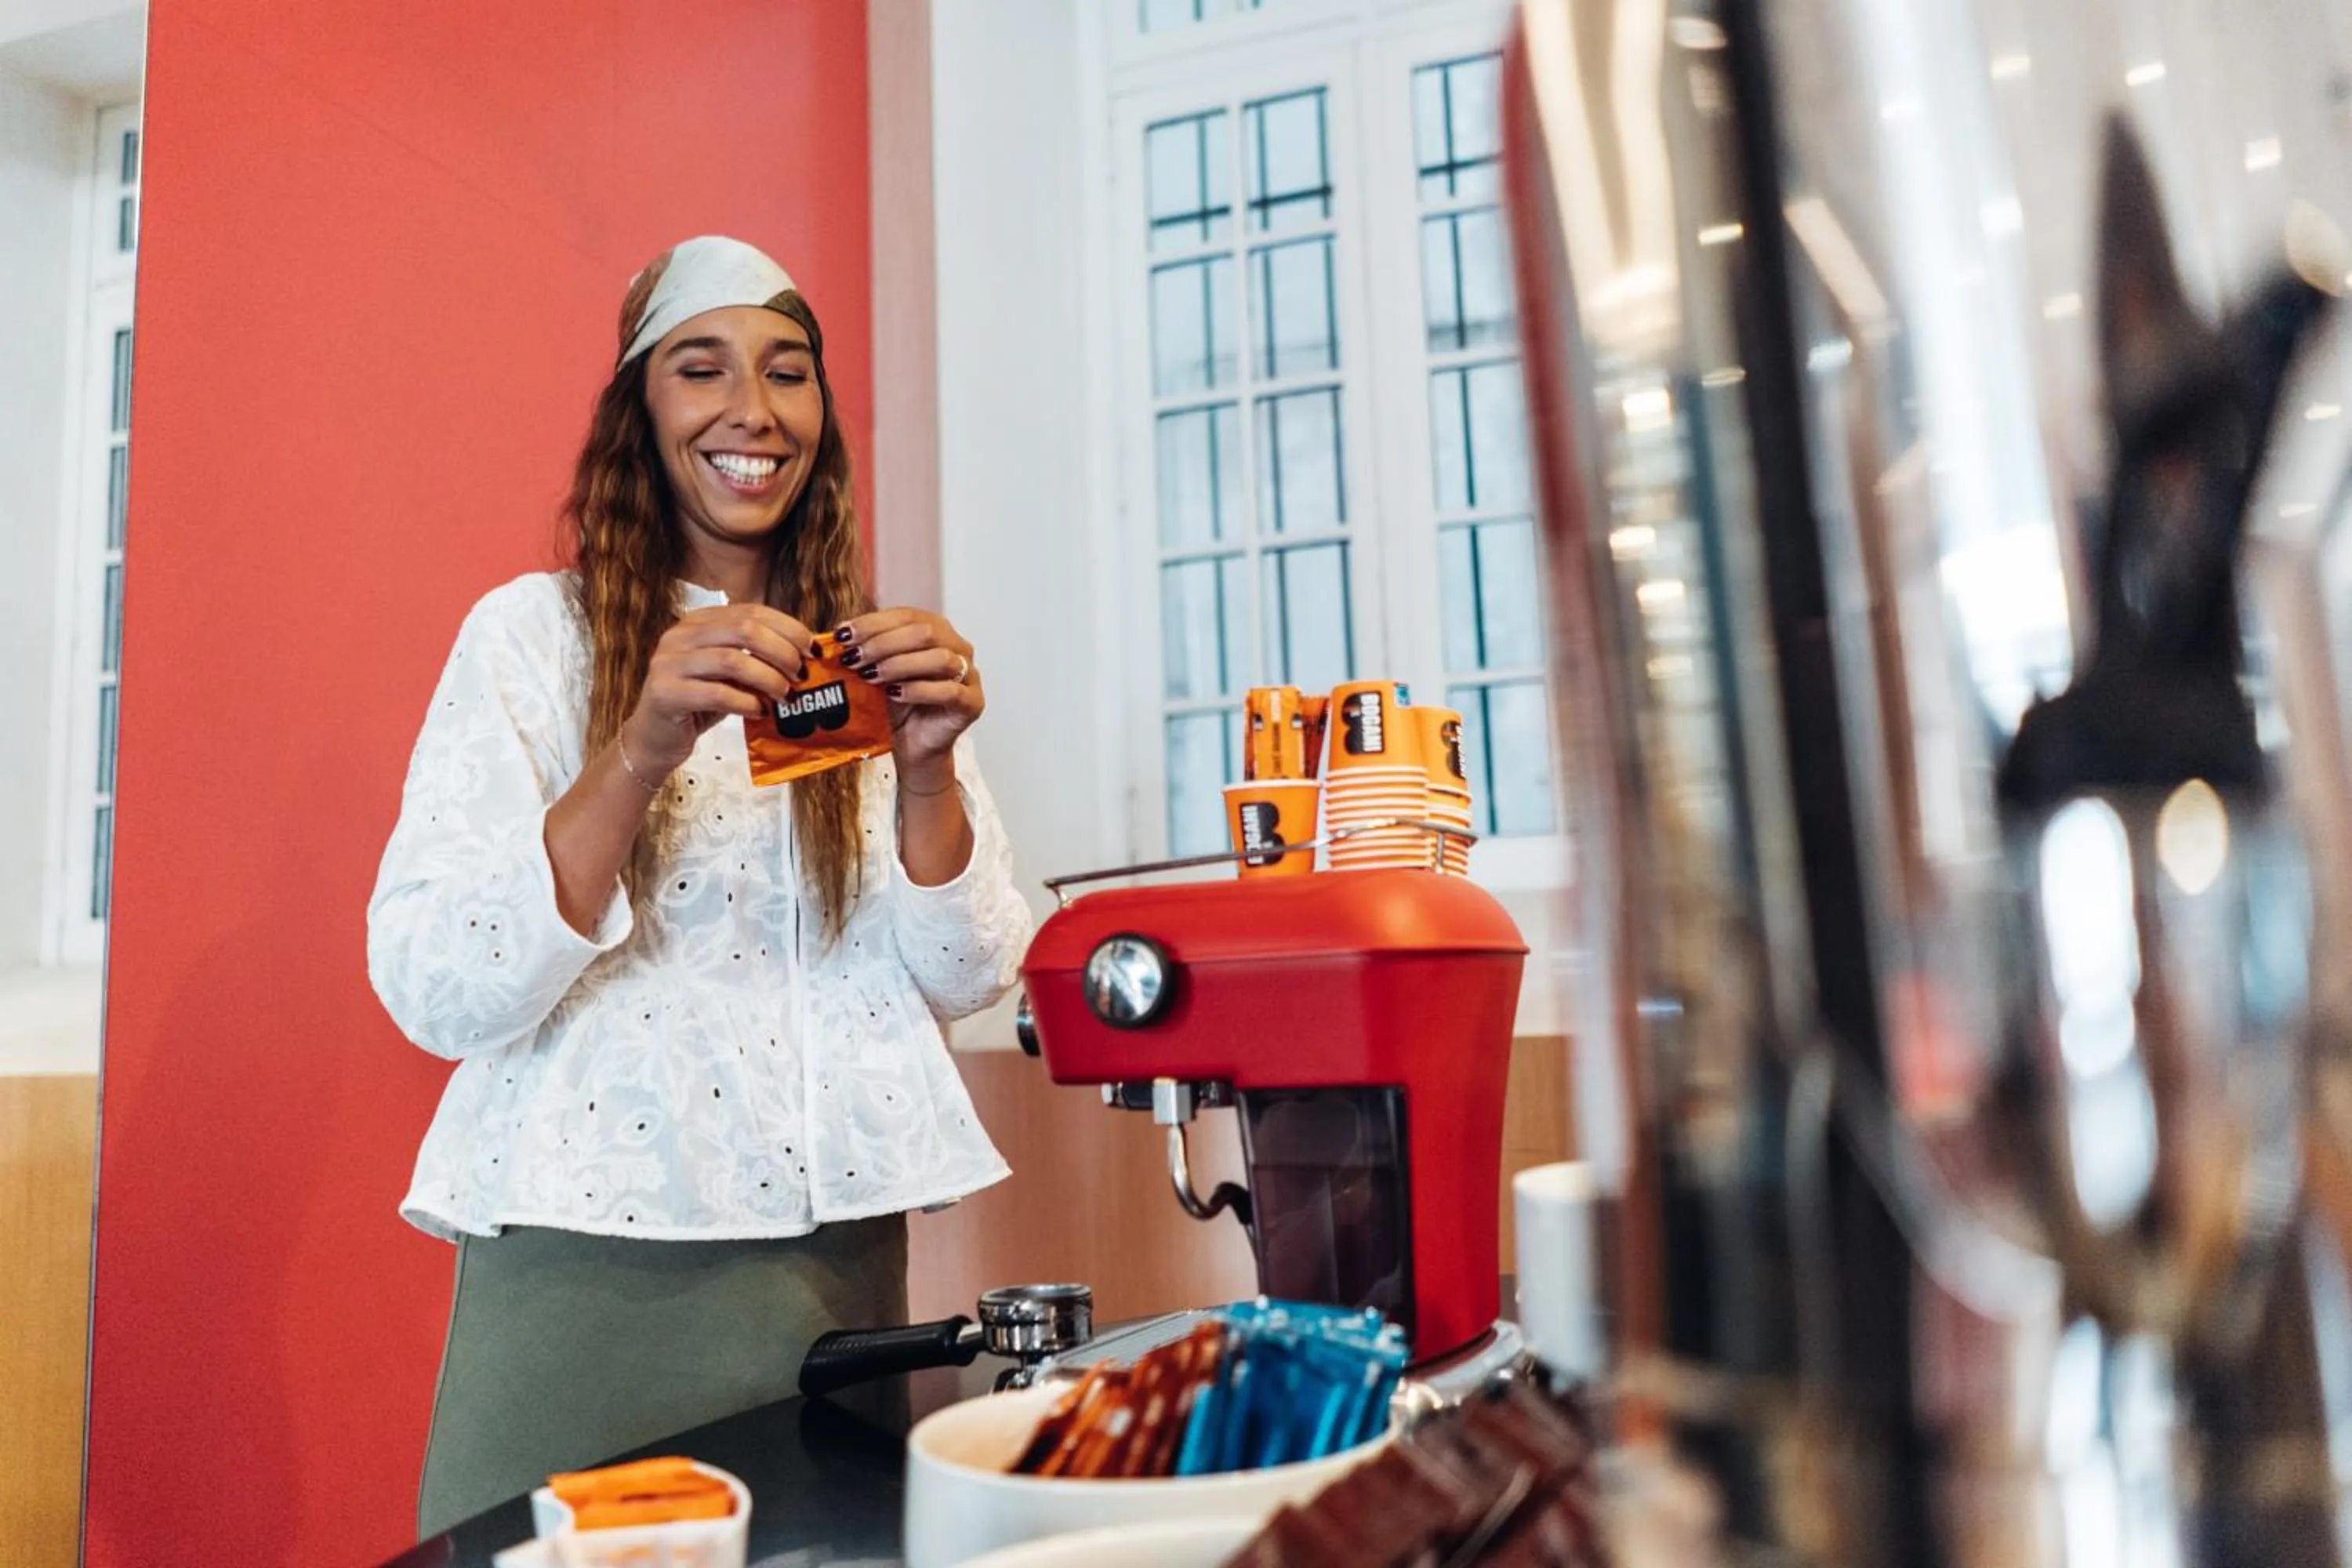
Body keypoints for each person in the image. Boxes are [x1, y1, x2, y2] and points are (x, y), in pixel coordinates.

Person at [366, 235, 1031, 1534]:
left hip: (835, 1274)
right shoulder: (533, 638)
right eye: (701, 368)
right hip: (586, 1271)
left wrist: (933, 767)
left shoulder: (859, 663)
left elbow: (968, 972)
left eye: (789, 372)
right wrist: (642, 743)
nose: (753, 409)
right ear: (639, 411)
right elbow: (435, 983)